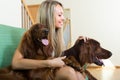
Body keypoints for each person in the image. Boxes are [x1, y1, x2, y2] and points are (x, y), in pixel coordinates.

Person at [12, 0, 85, 80]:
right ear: (48, 16)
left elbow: (60, 56)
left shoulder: (55, 36)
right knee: (69, 72)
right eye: (60, 15)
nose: (63, 18)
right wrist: (48, 63)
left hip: (48, 70)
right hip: (36, 72)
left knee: (79, 74)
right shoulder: (31, 35)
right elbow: (16, 63)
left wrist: (77, 45)